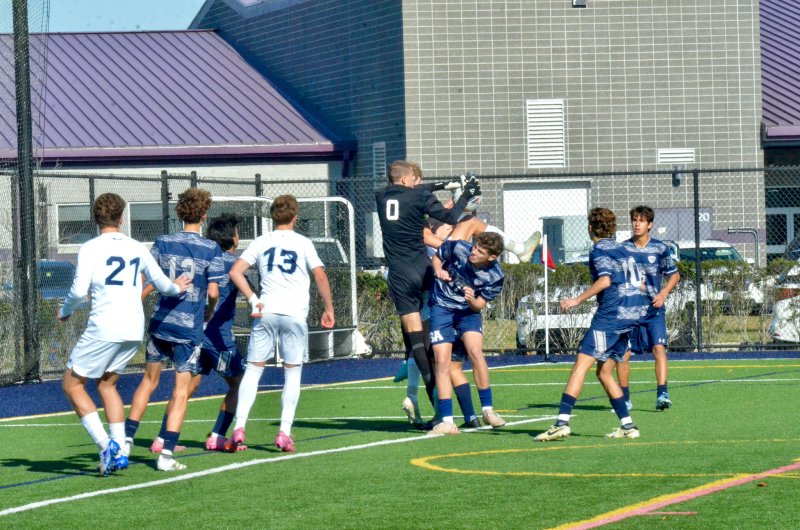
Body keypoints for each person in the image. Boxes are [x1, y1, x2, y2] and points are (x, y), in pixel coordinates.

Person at [58, 193, 190, 476]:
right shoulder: (137, 247)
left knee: (72, 385)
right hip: (133, 328)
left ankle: (106, 445)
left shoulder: (91, 248)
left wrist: (65, 309)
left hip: (105, 326)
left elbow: (79, 291)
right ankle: (119, 450)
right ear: (121, 218)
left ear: (95, 219)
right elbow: (164, 285)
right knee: (107, 385)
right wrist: (178, 287)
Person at [122, 188, 225, 471]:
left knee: (148, 381)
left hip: (160, 322)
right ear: (204, 215)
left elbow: (149, 279)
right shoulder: (210, 248)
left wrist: (136, 301)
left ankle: (127, 439)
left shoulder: (163, 241)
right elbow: (214, 291)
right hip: (187, 328)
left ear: (180, 212)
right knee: (181, 391)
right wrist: (210, 309)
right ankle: (166, 454)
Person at [225, 194, 335, 453]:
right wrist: (329, 307)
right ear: (295, 217)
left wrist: (253, 299)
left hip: (267, 311)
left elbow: (235, 271)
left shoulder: (262, 241)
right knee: (292, 372)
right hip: (294, 313)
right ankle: (284, 431)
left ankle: (239, 427)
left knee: (253, 370)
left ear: (272, 217)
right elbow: (319, 274)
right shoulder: (303, 242)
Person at [375, 161, 480, 419]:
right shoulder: (419, 195)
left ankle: (433, 397)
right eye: (414, 179)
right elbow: (450, 217)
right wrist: (465, 194)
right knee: (437, 327)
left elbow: (413, 190)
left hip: (398, 273)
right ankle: (449, 384)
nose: (417, 183)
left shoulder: (380, 195)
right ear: (405, 180)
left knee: (414, 337)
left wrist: (444, 185)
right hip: (423, 269)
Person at [534, 208, 649, 441]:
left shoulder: (599, 250)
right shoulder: (625, 249)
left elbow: (605, 280)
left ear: (590, 228)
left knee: (580, 365)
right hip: (630, 316)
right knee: (604, 372)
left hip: (610, 319)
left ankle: (561, 423)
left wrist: (577, 299)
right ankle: (628, 426)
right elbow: (641, 283)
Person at [428, 232, 507, 435]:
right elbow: (437, 256)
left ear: (491, 257)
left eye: (480, 251)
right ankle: (447, 421)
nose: (474, 252)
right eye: (475, 247)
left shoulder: (496, 275)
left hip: (467, 312)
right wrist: (438, 270)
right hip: (442, 306)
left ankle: (488, 411)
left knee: (475, 352)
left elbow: (479, 305)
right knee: (442, 361)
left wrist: (471, 298)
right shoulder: (458, 247)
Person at [618, 205, 680, 411]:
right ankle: (624, 398)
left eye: (641, 220)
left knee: (659, 349)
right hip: (629, 310)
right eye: (634, 220)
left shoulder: (660, 249)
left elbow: (675, 275)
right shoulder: (623, 249)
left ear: (650, 224)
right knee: (624, 354)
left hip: (653, 310)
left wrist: (663, 294)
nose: (637, 224)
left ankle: (662, 394)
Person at [197, 213, 249, 451]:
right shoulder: (233, 265)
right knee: (241, 383)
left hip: (195, 334)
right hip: (219, 338)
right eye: (237, 232)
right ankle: (218, 435)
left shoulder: (204, 261)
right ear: (232, 238)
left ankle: (164, 438)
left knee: (184, 388)